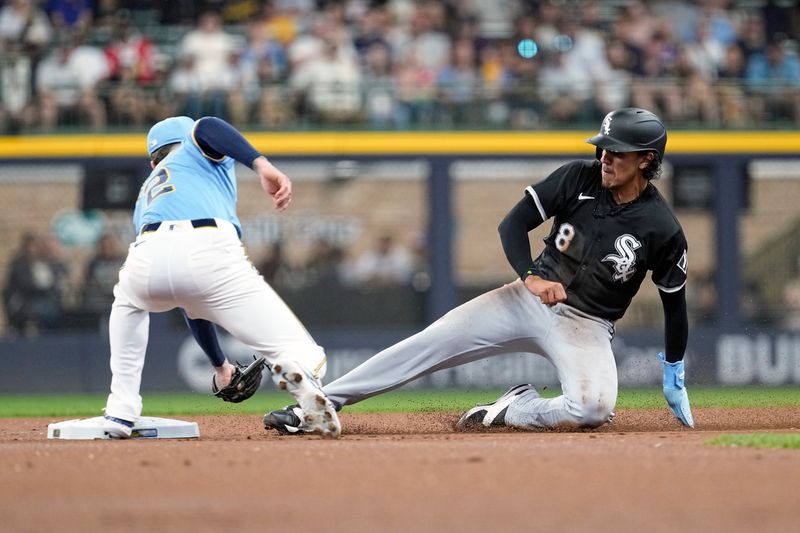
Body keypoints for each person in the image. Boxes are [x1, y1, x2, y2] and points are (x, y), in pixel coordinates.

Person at [264, 107, 693, 433]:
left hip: (587, 324)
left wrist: (674, 371)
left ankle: (515, 409)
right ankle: (313, 409)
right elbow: (513, 223)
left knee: (593, 410)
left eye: (617, 151)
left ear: (645, 159)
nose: (605, 157)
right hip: (524, 300)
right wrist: (531, 276)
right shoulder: (578, 178)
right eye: (603, 147)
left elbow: (674, 305)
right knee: (427, 344)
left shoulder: (662, 227)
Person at [100, 115, 340, 438]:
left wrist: (220, 367)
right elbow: (207, 126)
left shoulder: (147, 192)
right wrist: (261, 165)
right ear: (188, 143)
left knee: (127, 304)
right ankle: (302, 380)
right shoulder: (196, 149)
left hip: (145, 256)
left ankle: (120, 409)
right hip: (208, 250)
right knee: (301, 351)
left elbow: (191, 302)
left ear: (152, 161)